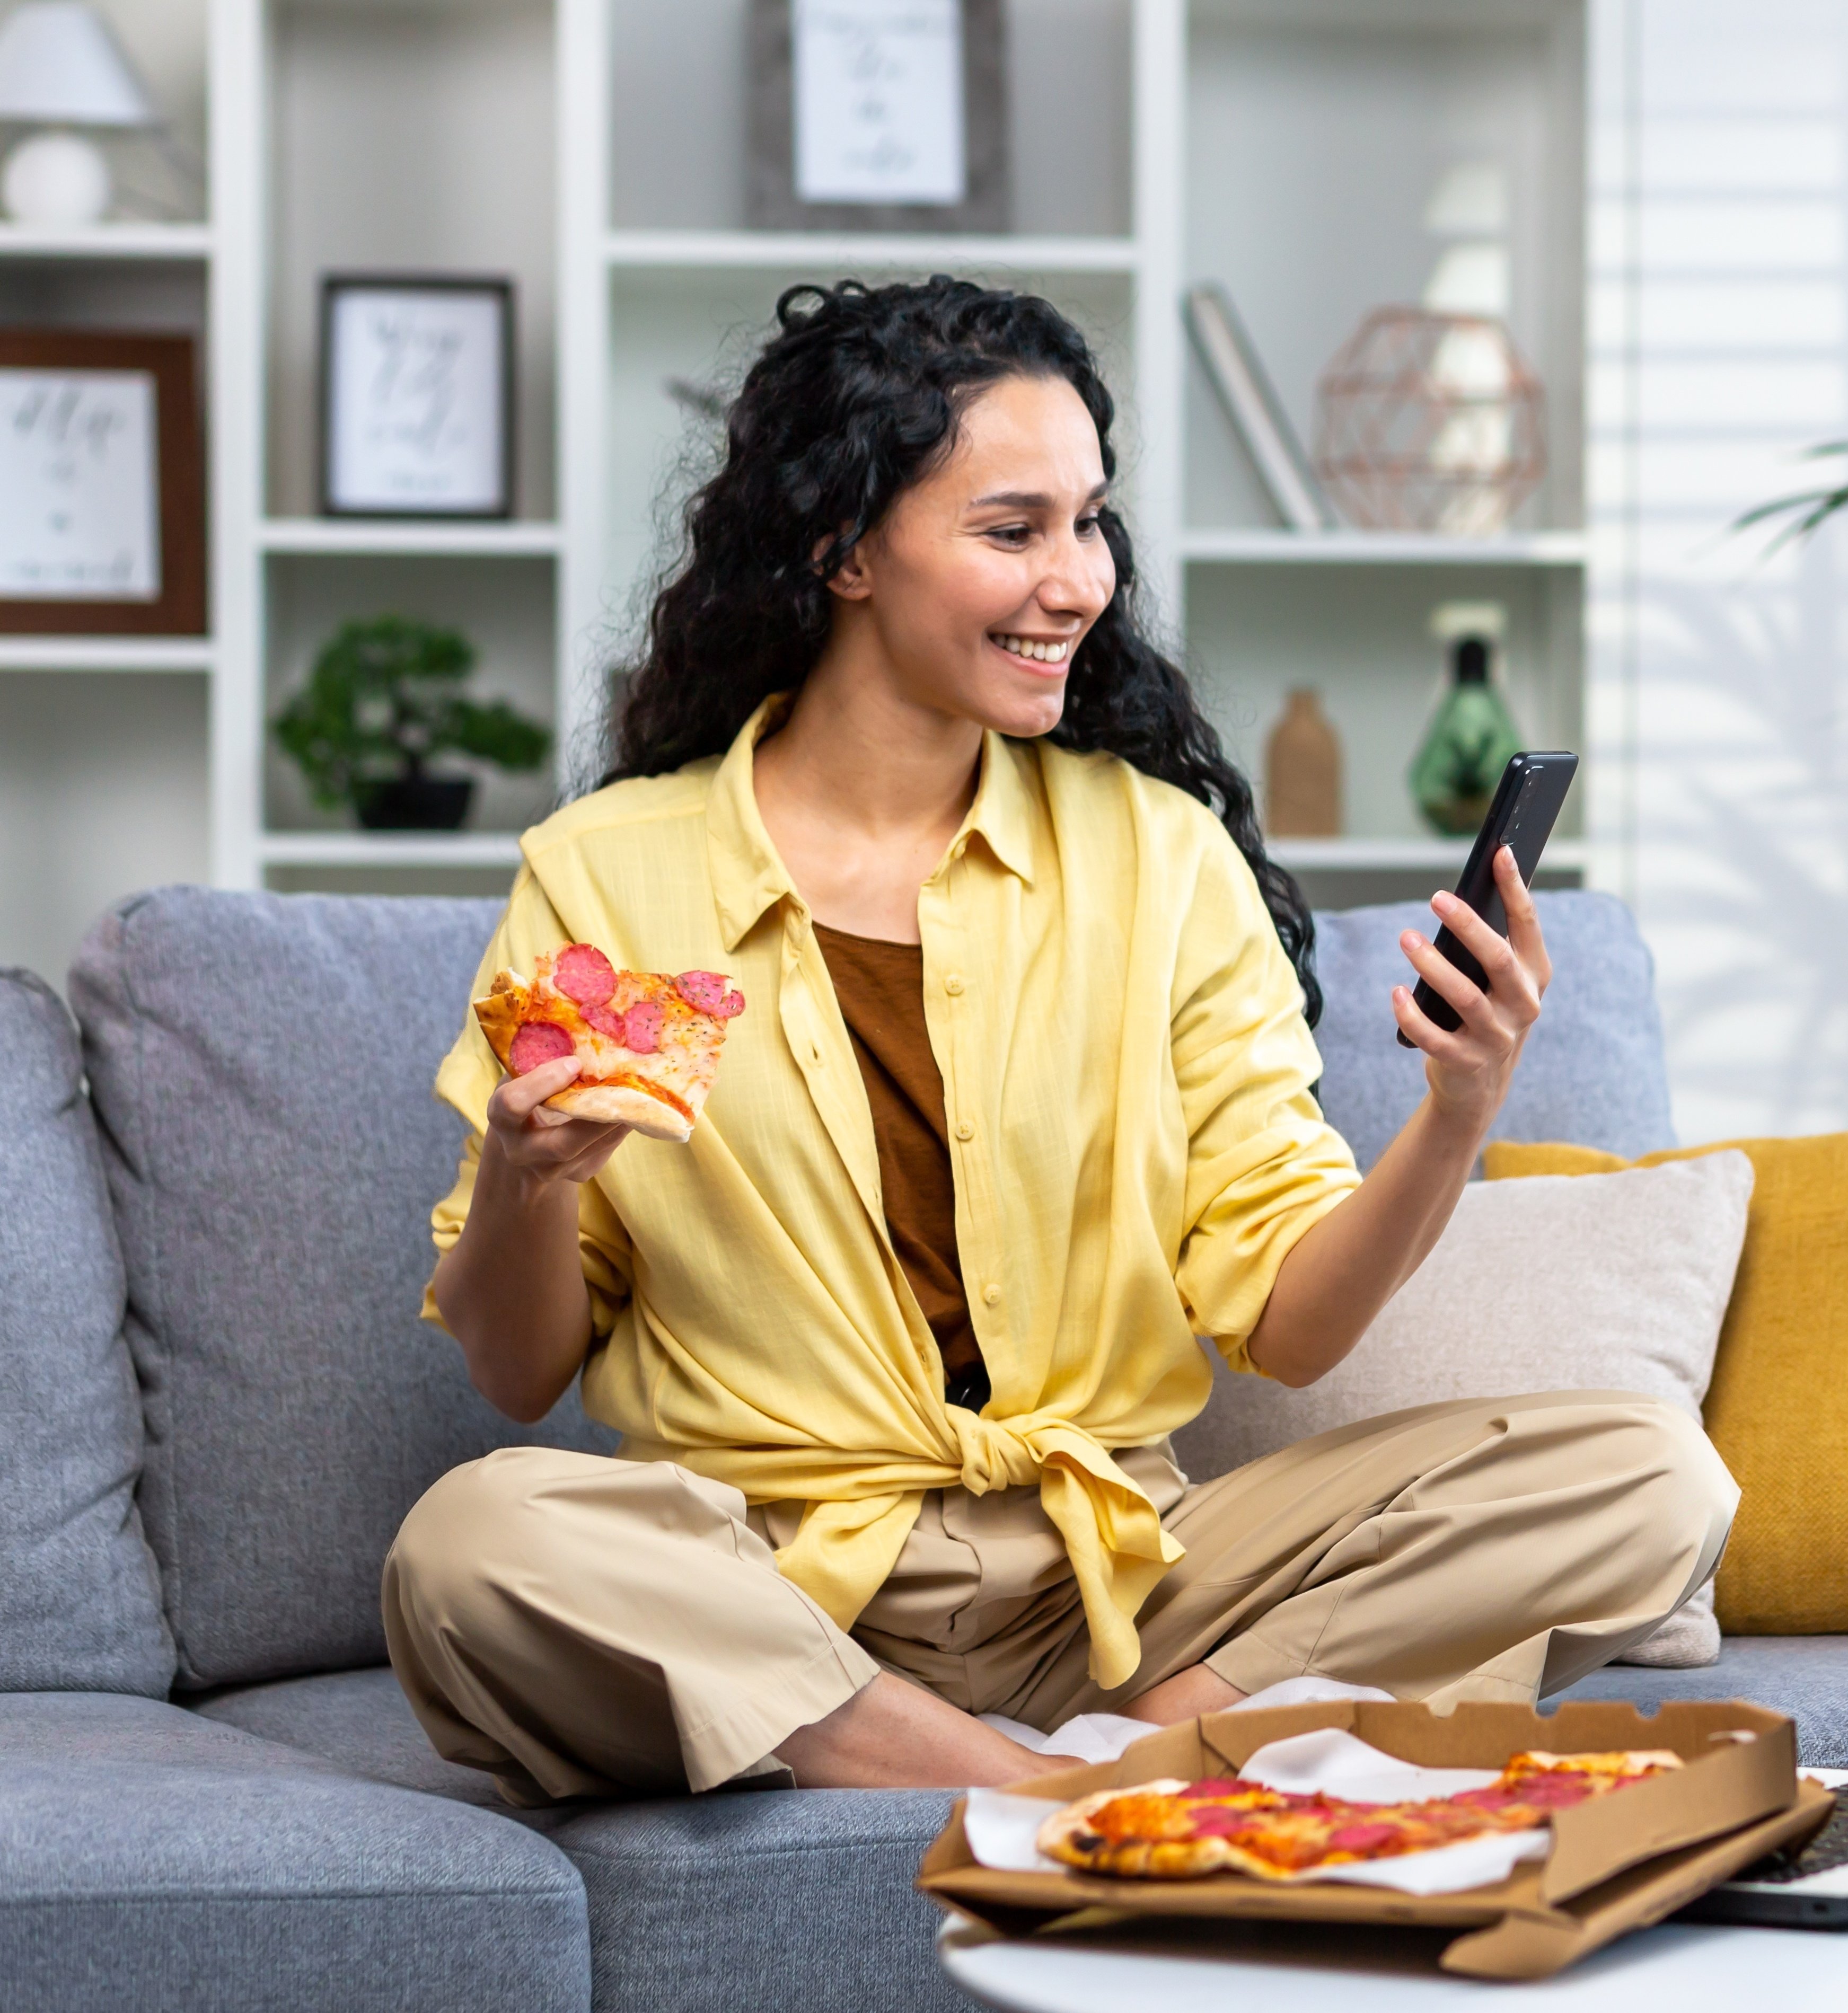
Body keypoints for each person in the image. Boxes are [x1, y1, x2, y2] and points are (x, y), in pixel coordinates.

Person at [381, 279, 1735, 1805]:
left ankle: (1134, 1743)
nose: (1078, 584)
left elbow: (1287, 1322)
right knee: (474, 1544)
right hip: (767, 1594)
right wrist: (526, 1176)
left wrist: (1455, 1109)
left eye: (1088, 525)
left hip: (1121, 1591)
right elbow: (517, 1371)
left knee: (1646, 1477)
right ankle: (1060, 1796)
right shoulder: (606, 870)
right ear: (842, 549)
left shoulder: (1159, 858)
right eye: (1011, 530)